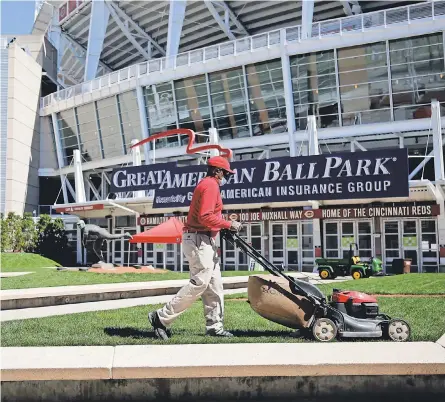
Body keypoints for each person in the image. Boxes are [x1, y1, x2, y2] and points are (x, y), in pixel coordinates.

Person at [148, 156, 243, 340]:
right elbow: (205, 217)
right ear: (217, 171)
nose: (226, 177)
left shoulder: (208, 185)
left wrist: (220, 228)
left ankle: (215, 326)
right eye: (225, 173)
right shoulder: (210, 185)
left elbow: (207, 218)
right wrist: (228, 224)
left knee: (214, 286)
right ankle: (161, 317)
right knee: (200, 282)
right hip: (199, 239)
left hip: (205, 239)